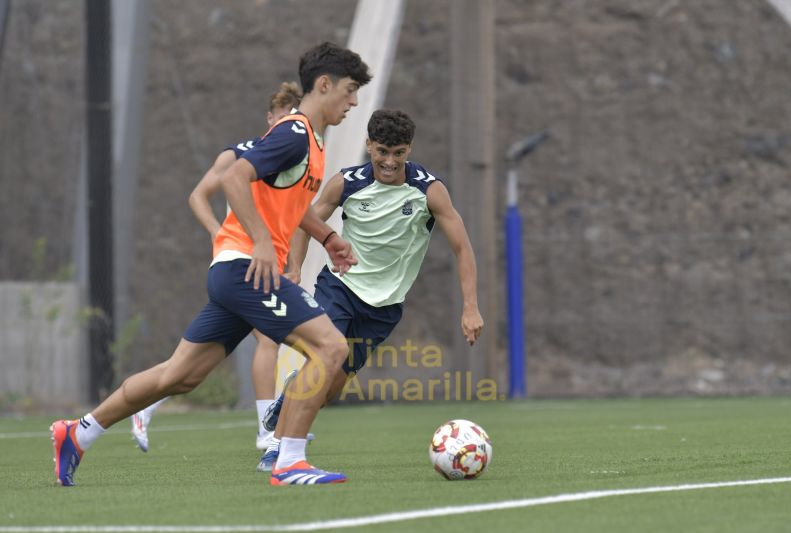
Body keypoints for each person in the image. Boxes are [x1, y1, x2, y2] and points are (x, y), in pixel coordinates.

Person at [50, 41, 372, 487]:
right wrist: (261, 240)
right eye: (350, 90)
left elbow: (291, 204)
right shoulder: (295, 132)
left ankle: (78, 433)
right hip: (247, 269)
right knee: (332, 348)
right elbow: (232, 176)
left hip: (237, 273)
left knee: (179, 375)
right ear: (324, 84)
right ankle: (290, 462)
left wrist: (329, 237)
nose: (354, 101)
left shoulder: (311, 142)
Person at [258, 109, 484, 468]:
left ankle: (288, 402)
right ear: (368, 146)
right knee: (323, 363)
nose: (389, 161)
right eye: (382, 151)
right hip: (340, 288)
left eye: (398, 152)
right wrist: (295, 268)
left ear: (409, 149)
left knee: (331, 387)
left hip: (385, 306)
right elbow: (305, 220)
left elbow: (462, 248)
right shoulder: (346, 182)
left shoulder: (429, 189)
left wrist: (470, 307)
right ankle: (278, 449)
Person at [129, 82, 305, 461]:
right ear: (270, 118)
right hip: (241, 263)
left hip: (259, 262)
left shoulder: (291, 159)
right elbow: (197, 195)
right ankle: (266, 433)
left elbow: (292, 215)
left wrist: (293, 260)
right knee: (269, 341)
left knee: (189, 371)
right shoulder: (243, 153)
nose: (289, 124)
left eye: (295, 117)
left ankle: (142, 407)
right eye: (283, 116)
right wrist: (217, 233)